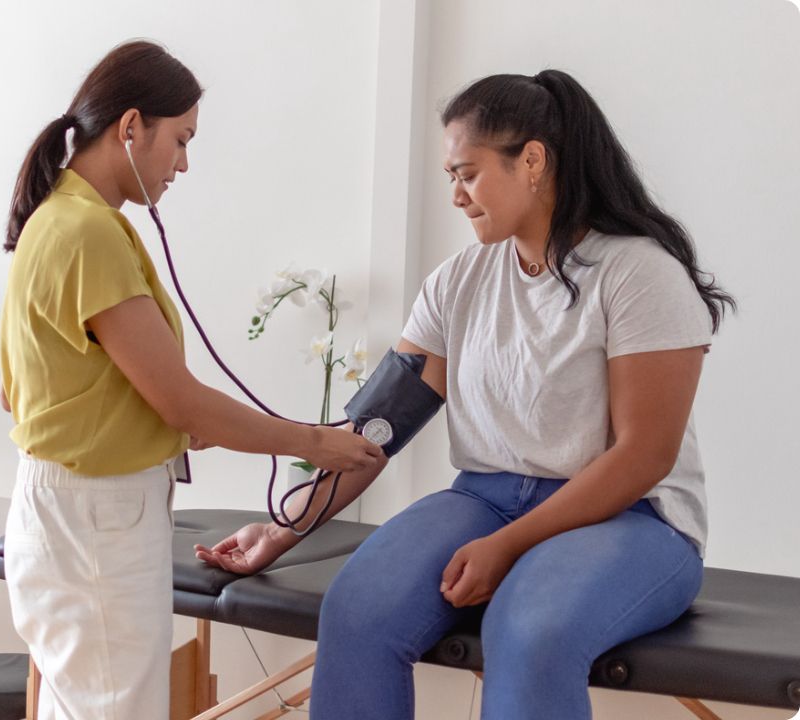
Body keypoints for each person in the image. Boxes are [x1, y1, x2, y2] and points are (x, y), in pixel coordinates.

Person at [195, 69, 736, 719]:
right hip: (485, 498)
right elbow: (376, 431)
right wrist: (285, 529)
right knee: (358, 606)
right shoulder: (459, 282)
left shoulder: (639, 274)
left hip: (633, 518)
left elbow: (643, 456)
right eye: (451, 176)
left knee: (530, 629)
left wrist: (508, 546)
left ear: (532, 161)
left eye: (467, 173)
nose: (455, 195)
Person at [0, 40, 382, 720]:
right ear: (130, 126)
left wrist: (160, 419)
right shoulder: (88, 232)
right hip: (97, 519)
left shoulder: (59, 218)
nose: (183, 163)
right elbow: (180, 400)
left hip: (66, 509)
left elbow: (31, 393)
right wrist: (315, 443)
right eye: (180, 140)